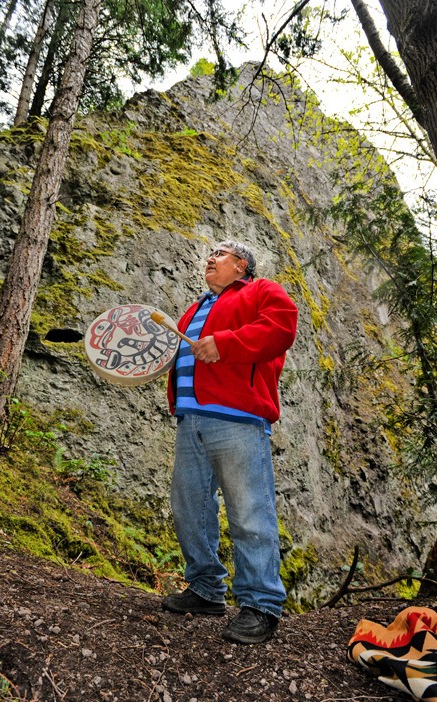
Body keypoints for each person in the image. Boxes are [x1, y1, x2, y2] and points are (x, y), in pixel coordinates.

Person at [161, 240, 298, 644]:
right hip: (191, 419)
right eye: (210, 254)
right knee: (190, 508)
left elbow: (280, 330)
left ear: (241, 265)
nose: (210, 258)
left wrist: (225, 343)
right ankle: (206, 590)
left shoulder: (263, 291)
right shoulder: (196, 306)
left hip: (237, 419)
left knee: (249, 512)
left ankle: (260, 603)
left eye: (220, 254)